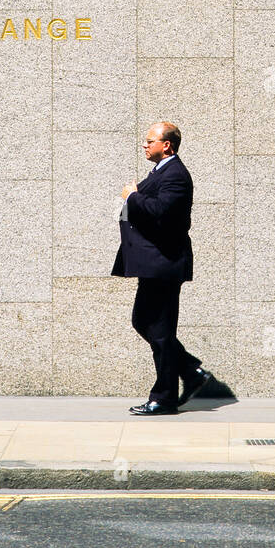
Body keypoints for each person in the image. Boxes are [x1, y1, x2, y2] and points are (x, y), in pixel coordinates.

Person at [113, 121, 211, 416]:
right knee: (146, 322)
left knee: (159, 330)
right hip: (154, 263)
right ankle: (190, 372)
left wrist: (132, 195)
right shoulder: (160, 171)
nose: (144, 145)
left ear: (166, 145)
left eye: (149, 141)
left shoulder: (176, 175)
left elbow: (159, 211)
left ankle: (165, 396)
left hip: (164, 263)